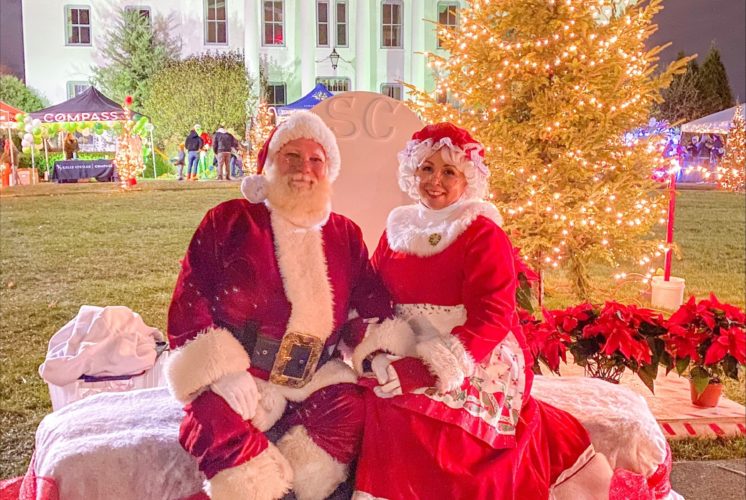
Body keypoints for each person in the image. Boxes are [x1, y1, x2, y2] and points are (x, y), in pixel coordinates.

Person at [351, 123, 615, 499]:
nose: (435, 181)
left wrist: (423, 370)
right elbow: (374, 296)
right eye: (427, 168)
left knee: (425, 421)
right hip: (407, 340)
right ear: (413, 171)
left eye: (449, 172)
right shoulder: (399, 228)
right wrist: (377, 348)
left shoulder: (482, 232)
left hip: (473, 352)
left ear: (467, 179)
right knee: (373, 404)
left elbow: (492, 316)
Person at [165, 111, 391, 500]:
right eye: (292, 157)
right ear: (270, 162)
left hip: (314, 378)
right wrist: (221, 373)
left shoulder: (345, 234)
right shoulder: (229, 221)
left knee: (354, 409)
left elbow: (366, 306)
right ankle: (258, 487)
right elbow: (191, 298)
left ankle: (299, 487)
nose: (304, 170)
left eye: (316, 160)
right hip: (245, 377)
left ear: (329, 171)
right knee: (213, 419)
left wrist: (378, 352)